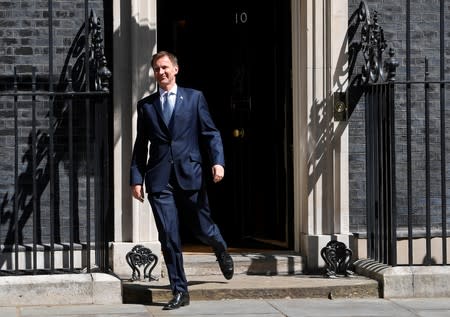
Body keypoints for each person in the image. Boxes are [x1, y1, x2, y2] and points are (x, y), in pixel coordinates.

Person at [130, 51, 234, 310]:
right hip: (159, 180)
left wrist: (217, 161)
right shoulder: (147, 106)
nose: (161, 72)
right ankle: (180, 290)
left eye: (165, 67)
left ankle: (219, 247)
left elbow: (210, 133)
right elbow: (141, 144)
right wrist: (136, 178)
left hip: (191, 174)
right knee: (169, 235)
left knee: (203, 228)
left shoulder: (195, 98)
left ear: (176, 69)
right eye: (156, 69)